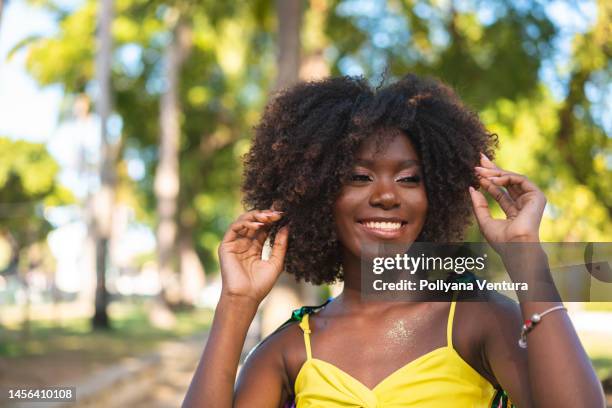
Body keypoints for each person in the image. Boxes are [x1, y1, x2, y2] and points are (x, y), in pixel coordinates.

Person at [183, 75, 605, 407]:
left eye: (408, 179)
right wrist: (236, 304)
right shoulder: (292, 349)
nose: (386, 196)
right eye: (359, 177)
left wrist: (526, 257)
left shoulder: (478, 319)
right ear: (317, 192)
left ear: (435, 194)